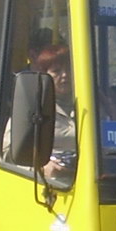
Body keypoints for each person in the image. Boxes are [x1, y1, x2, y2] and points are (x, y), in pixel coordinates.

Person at [32, 43, 76, 181]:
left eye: (69, 69)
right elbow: (7, 154)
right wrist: (40, 168)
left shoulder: (93, 104)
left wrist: (112, 114)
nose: (65, 75)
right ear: (45, 77)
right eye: (56, 71)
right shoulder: (34, 109)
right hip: (49, 185)